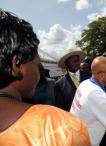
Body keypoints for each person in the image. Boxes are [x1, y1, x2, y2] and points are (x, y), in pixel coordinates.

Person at [0, 9, 91, 146]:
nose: (39, 65)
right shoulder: (61, 128)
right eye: (36, 59)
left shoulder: (89, 77)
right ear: (17, 63)